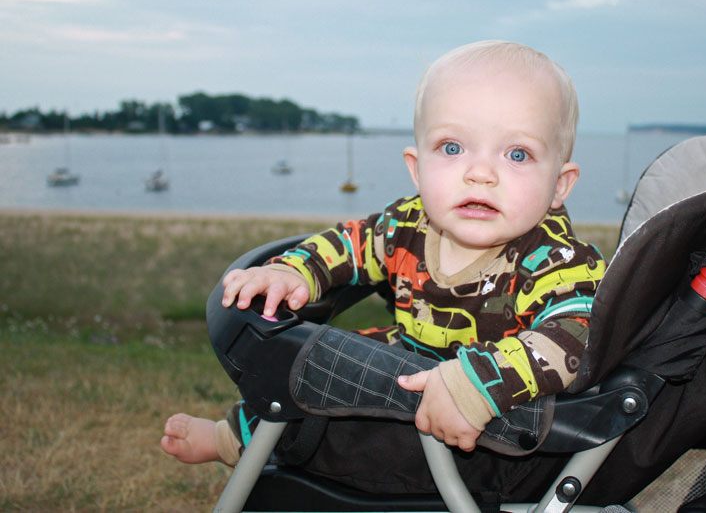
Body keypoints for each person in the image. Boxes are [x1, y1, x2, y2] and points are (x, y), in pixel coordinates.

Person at [161, 39, 606, 468]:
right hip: (403, 373)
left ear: (560, 185)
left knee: (329, 370)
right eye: (452, 148)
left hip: (492, 427)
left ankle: (243, 443)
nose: (480, 173)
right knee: (315, 361)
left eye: (517, 153)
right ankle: (235, 436)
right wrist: (296, 271)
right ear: (417, 168)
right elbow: (349, 244)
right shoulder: (407, 225)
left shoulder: (558, 262)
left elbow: (581, 335)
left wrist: (479, 385)